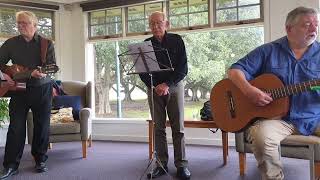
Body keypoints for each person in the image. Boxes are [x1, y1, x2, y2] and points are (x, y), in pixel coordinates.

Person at [228, 6, 320, 180]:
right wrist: (249, 91)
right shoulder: (268, 50)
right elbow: (235, 71)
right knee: (261, 136)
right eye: (307, 24)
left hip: (314, 116)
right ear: (289, 29)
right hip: (277, 119)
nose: (314, 29)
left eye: (316, 24)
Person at [0, 11, 56, 179]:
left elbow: (52, 67)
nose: (20, 26)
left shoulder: (47, 43)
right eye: (19, 23)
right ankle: (11, 165)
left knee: (42, 126)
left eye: (24, 23)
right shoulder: (10, 44)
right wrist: (7, 74)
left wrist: (42, 73)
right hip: (18, 90)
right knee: (16, 128)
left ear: (34, 25)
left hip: (42, 90)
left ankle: (40, 160)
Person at [139, 11, 191, 180]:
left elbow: (183, 69)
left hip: (174, 87)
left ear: (166, 24)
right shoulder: (145, 45)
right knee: (158, 128)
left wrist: (166, 85)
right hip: (154, 89)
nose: (155, 26)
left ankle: (182, 165)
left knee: (178, 128)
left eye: (159, 23)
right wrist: (155, 86)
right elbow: (142, 72)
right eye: (152, 23)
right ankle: (161, 164)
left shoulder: (177, 40)